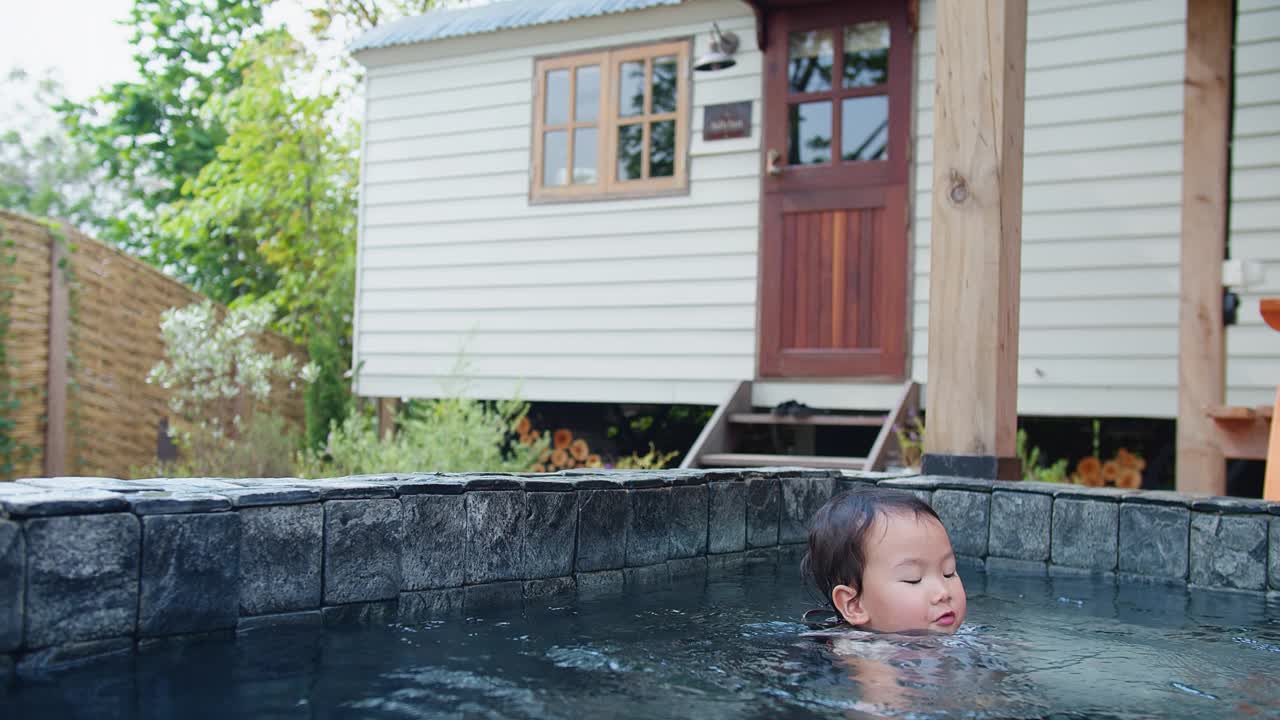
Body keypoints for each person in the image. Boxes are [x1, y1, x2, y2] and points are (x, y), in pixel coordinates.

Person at [801, 486, 966, 635]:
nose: (943, 593)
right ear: (855, 605)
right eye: (913, 579)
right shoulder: (867, 656)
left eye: (948, 573)